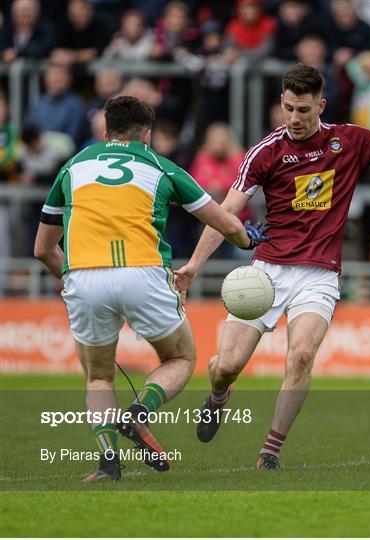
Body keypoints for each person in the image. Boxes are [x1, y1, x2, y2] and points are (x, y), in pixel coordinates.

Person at [175, 64, 370, 470]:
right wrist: (192, 265)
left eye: (304, 110)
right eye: (289, 109)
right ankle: (218, 395)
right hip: (266, 271)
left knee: (299, 358)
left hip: (319, 275)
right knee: (225, 366)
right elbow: (226, 212)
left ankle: (270, 453)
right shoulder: (265, 152)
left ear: (321, 105)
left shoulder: (349, 141)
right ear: (281, 102)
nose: (295, 119)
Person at [33, 96, 267, 482]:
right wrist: (248, 240)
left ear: (104, 131)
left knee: (98, 378)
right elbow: (224, 222)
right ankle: (139, 413)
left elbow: (42, 248)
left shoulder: (73, 167)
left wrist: (72, 278)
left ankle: (109, 463)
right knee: (179, 359)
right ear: (148, 134)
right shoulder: (161, 166)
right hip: (142, 272)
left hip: (83, 276)